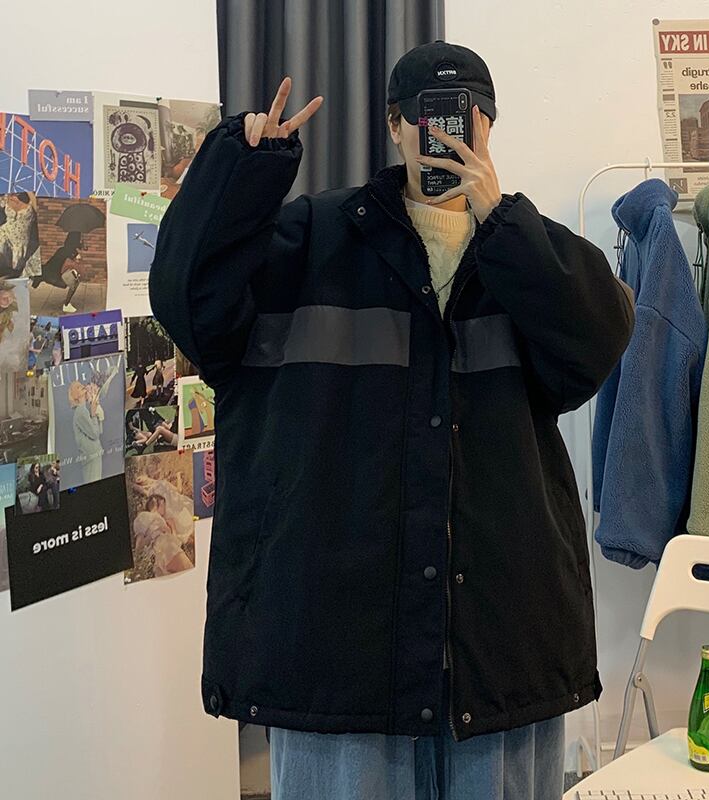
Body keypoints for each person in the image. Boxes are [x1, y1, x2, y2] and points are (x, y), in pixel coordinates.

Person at [149, 40, 633, 800]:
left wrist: (500, 221)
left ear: (488, 127)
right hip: (338, 655)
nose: (443, 135)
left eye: (465, 117)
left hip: (501, 651)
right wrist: (239, 172)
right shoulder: (311, 240)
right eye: (424, 117)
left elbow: (599, 344)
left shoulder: (530, 254)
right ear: (394, 126)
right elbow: (191, 306)